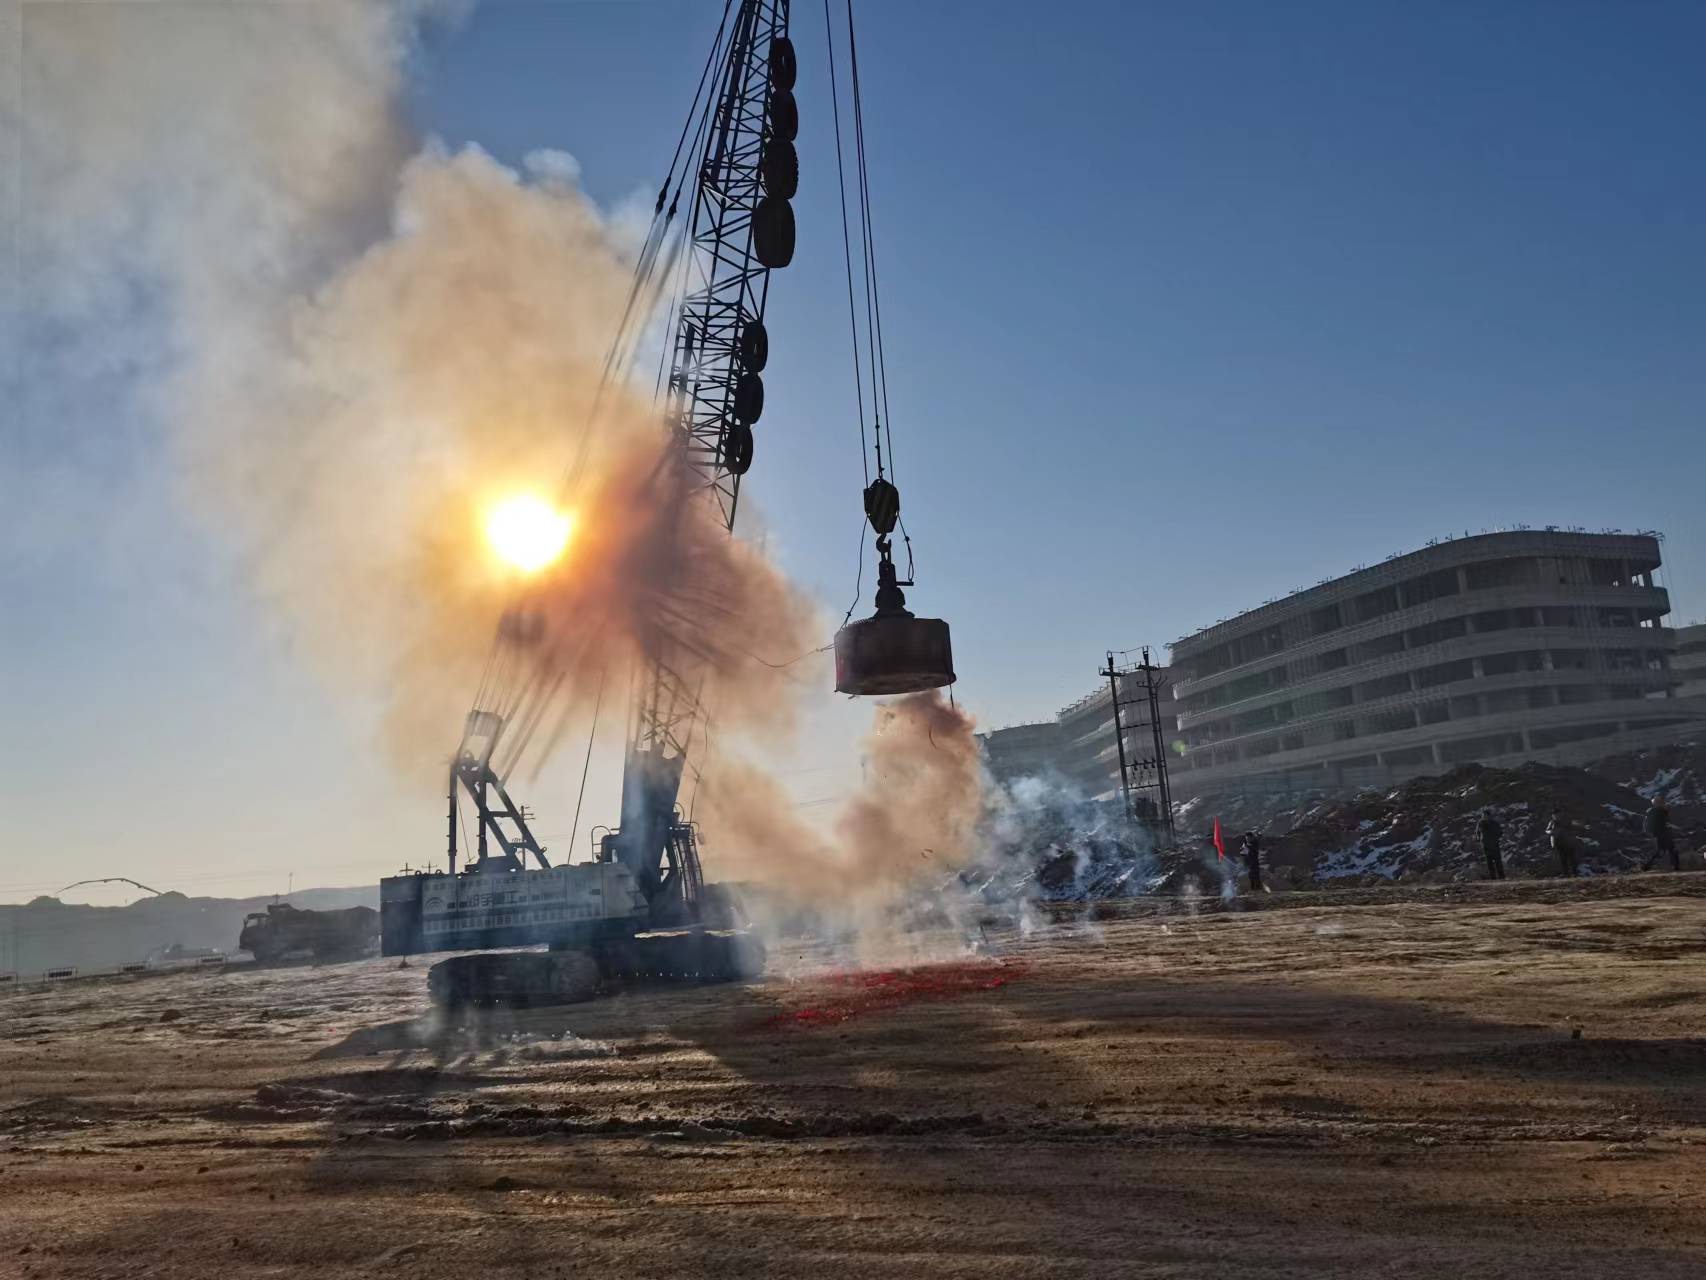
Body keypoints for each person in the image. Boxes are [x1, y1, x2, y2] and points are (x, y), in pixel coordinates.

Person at [1643, 798, 1679, 872]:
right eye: (1662, 803)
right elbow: (1665, 823)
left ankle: (1647, 866)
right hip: (1664, 833)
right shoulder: (1660, 811)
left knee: (1662, 851)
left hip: (1658, 834)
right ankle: (1676, 867)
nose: (1663, 804)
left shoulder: (1652, 812)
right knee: (1671, 850)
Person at [1547, 809, 1578, 877]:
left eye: (1557, 814)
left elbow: (1573, 827)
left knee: (1571, 858)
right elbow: (1547, 830)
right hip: (1559, 843)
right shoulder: (1552, 822)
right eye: (1554, 815)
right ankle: (1566, 873)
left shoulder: (1566, 821)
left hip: (1568, 842)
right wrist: (1552, 832)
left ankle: (1574, 873)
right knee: (1563, 859)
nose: (1556, 816)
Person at [1477, 809, 1505, 880]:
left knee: (1497, 861)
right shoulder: (1480, 823)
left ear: (1489, 816)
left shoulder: (1494, 823)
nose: (1483, 817)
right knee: (1489, 863)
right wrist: (1480, 840)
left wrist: (1496, 840)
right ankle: (1493, 877)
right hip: (1485, 846)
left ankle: (1501, 876)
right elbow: (1478, 832)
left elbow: (1500, 832)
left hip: (1494, 845)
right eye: (1482, 815)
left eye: (1485, 815)